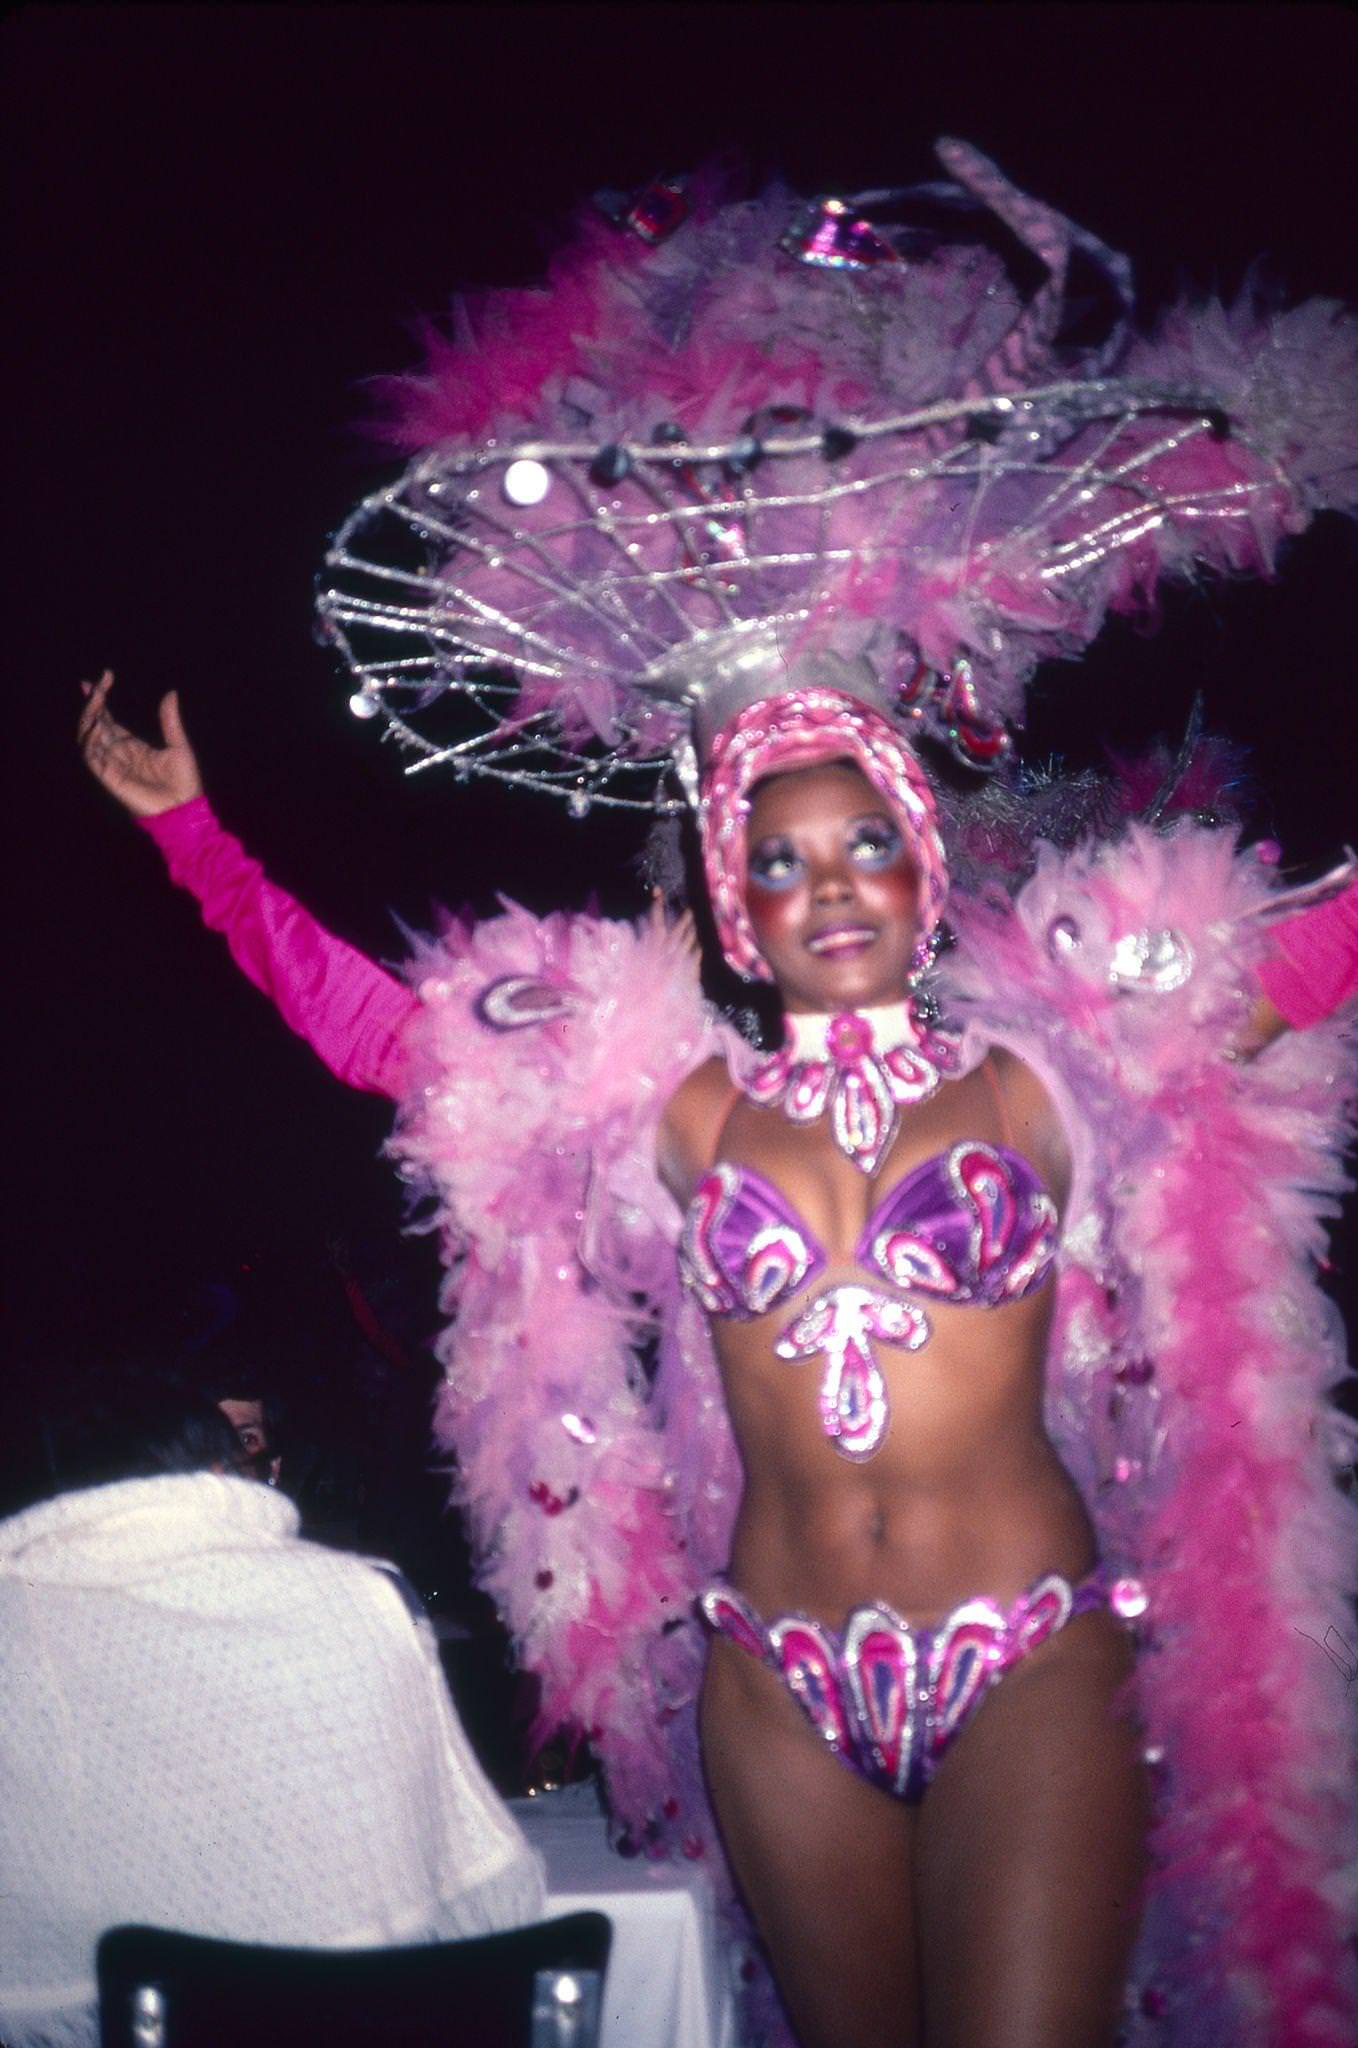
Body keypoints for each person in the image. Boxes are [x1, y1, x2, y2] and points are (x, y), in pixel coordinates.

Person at [77, 142, 1358, 2046]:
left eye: (862, 846)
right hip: (773, 1683)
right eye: (776, 856)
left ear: (924, 869)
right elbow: (382, 1033)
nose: (824, 881)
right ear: (731, 902)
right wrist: (196, 843)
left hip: (1026, 1660)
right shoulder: (670, 1112)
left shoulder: (1053, 1067)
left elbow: (1309, 950)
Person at [0, 1368, 545, 2048]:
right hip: (364, 2022)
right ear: (223, 1469)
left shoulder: (16, 1622)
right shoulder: (356, 1598)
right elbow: (445, 1865)